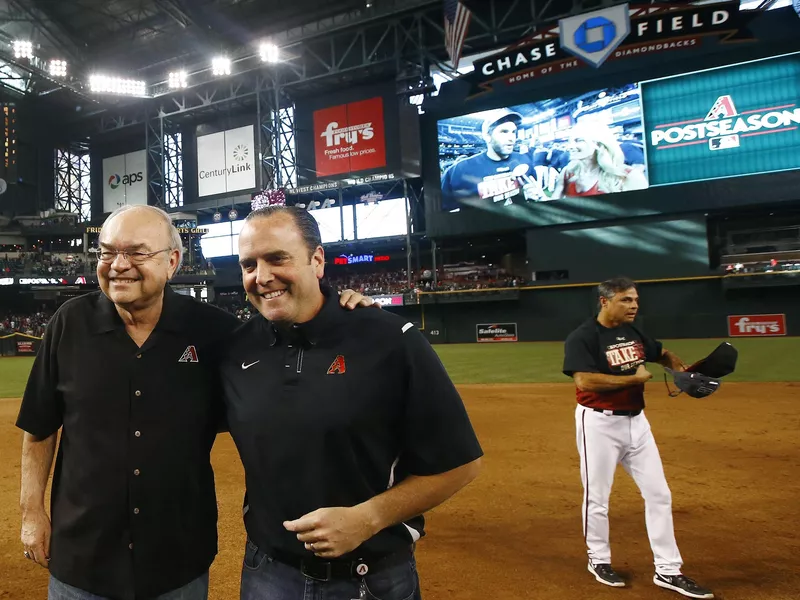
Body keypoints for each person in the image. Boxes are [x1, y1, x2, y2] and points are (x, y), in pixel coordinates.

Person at [16, 205, 372, 600]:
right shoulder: (69, 323)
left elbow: (290, 341)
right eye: (106, 252)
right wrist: (32, 514)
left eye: (136, 252)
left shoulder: (216, 332)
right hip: (82, 557)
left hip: (176, 560)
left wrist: (344, 311)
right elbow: (39, 426)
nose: (118, 265)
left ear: (172, 262)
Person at [220, 206, 483, 600]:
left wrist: (368, 518)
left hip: (372, 578)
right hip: (266, 573)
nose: (262, 277)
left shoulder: (391, 340)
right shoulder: (234, 348)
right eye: (248, 265)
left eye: (277, 258)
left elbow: (461, 463)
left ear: (317, 260)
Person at [562, 277, 714, 599]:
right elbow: (585, 380)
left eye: (635, 300)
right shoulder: (583, 337)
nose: (634, 306)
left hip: (637, 423)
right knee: (597, 498)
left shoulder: (633, 332)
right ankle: (598, 560)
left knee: (660, 494)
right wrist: (632, 378)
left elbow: (661, 353)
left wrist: (679, 369)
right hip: (599, 425)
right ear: (605, 301)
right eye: (626, 300)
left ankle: (668, 569)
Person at [441, 108, 545, 209]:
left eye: (513, 132)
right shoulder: (459, 170)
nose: (511, 138)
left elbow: (533, 191)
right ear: (487, 136)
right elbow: (440, 212)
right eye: (504, 132)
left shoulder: (524, 160)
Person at [552, 124, 648, 199]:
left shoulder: (629, 176)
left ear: (598, 144)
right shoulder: (568, 172)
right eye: (569, 142)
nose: (570, 147)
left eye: (578, 140)